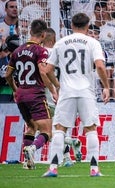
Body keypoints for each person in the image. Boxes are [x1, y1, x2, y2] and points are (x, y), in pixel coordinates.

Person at [42, 13, 110, 177]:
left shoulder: (61, 42)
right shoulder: (93, 42)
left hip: (67, 92)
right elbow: (100, 66)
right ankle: (94, 169)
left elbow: (47, 69)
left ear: (71, 25)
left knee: (59, 129)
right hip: (86, 91)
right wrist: (106, 87)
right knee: (90, 129)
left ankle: (52, 168)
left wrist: (57, 86)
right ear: (88, 26)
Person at [5, 19, 57, 170]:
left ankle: (28, 163)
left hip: (21, 94)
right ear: (43, 35)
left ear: (30, 32)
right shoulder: (41, 51)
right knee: (46, 130)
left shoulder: (16, 51)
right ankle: (32, 148)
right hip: (35, 94)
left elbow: (8, 75)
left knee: (31, 126)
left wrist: (16, 90)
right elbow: (43, 71)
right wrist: (53, 90)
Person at [42, 27, 82, 167]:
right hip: (65, 92)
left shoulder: (42, 53)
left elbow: (45, 72)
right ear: (54, 38)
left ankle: (62, 154)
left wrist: (53, 88)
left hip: (47, 95)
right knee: (63, 126)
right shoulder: (62, 52)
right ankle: (66, 157)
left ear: (43, 38)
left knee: (49, 130)